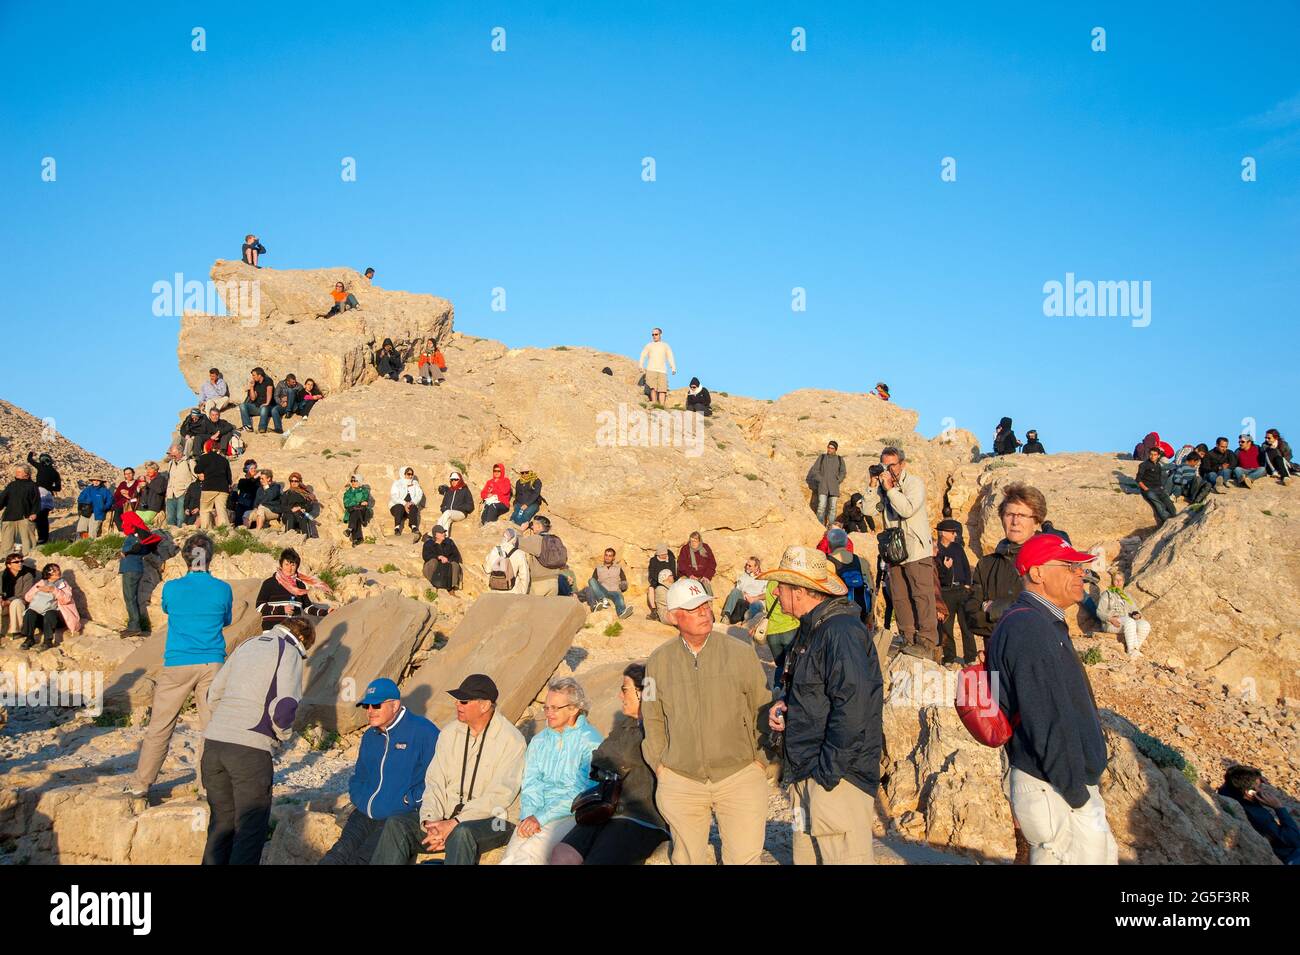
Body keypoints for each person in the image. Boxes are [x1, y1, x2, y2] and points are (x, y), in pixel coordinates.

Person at [987, 533, 1118, 865]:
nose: (1080, 574)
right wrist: (1075, 791)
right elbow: (1045, 717)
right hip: (1055, 788)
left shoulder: (1041, 622)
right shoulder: (1029, 627)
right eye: (1070, 566)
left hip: (1061, 785)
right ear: (1037, 573)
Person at [763, 545, 882, 865]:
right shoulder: (812, 628)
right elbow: (817, 695)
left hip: (835, 780)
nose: (774, 594)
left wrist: (827, 773)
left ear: (800, 591)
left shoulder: (840, 632)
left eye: (780, 588)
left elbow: (854, 708)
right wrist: (786, 707)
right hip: (808, 774)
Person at [642, 577, 771, 865]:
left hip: (739, 776)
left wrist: (761, 760)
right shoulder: (658, 662)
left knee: (745, 859)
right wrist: (661, 766)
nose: (703, 612)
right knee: (687, 859)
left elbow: (762, 706)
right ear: (675, 617)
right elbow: (651, 717)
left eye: (705, 605)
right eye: (693, 608)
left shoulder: (741, 654)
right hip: (681, 780)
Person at [374, 674, 527, 865]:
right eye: (457, 700)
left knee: (462, 834)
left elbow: (499, 796)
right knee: (397, 825)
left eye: (463, 701)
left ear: (485, 705)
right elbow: (434, 781)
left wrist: (455, 823)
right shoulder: (449, 733)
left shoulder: (512, 740)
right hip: (449, 815)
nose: (457, 705)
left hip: (496, 819)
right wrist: (431, 822)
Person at [126, 534, 233, 798]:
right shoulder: (222, 589)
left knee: (161, 726)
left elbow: (167, 608)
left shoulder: (171, 588)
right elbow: (226, 620)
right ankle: (210, 785)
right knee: (211, 727)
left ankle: (142, 784)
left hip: (178, 661)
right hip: (212, 663)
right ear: (210, 557)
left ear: (186, 557)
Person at [201, 616, 314, 864]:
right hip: (250, 749)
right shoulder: (290, 650)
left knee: (221, 824)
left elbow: (213, 694)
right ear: (303, 639)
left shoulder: (247, 644)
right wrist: (281, 736)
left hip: (214, 744)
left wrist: (227, 720)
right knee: (249, 831)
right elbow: (285, 708)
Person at [551, 664, 670, 865]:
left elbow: (619, 758)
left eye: (625, 690)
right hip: (606, 809)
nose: (620, 696)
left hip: (640, 817)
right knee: (562, 854)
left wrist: (615, 761)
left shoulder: (657, 726)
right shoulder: (626, 724)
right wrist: (615, 761)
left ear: (642, 693)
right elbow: (600, 756)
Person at [320, 679, 441, 865]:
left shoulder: (423, 731)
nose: (370, 711)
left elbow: (440, 777)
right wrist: (360, 797)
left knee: (362, 859)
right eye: (366, 706)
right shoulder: (370, 736)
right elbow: (359, 776)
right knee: (336, 855)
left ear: (395, 705)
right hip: (365, 813)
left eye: (376, 705)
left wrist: (408, 800)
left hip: (398, 817)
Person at [498, 677, 603, 865]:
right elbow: (531, 783)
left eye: (555, 708)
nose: (548, 713)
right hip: (535, 812)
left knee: (528, 856)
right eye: (546, 707)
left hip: (570, 813)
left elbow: (581, 790)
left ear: (574, 708)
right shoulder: (539, 741)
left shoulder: (591, 741)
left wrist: (540, 818)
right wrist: (529, 817)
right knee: (509, 858)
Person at [873, 446, 939, 660]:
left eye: (892, 465)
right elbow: (867, 510)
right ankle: (908, 638)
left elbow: (907, 509)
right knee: (900, 597)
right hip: (895, 551)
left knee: (921, 595)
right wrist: (873, 486)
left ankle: (927, 642)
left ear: (902, 464)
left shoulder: (914, 483)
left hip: (916, 550)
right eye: (885, 465)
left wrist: (891, 490)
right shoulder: (883, 486)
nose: (889, 469)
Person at [966, 483, 1046, 657]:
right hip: (996, 657)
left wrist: (994, 609)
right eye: (1009, 514)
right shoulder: (987, 565)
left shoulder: (1048, 561)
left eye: (1023, 515)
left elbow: (1046, 613)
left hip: (1038, 658)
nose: (1015, 521)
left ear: (1037, 520)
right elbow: (972, 616)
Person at [1218, 766, 1300, 864]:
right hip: (1292, 856)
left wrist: (1256, 777)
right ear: (1249, 793)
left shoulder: (1231, 793)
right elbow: (1295, 840)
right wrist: (1279, 807)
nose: (1262, 789)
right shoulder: (1258, 816)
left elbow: (1226, 786)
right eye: (1259, 787)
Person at [255, 548, 333, 629]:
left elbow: (307, 608)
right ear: (281, 565)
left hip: (293, 631)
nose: (289, 568)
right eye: (287, 564)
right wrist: (282, 609)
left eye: (293, 565)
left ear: (297, 567)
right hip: (273, 630)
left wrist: (326, 612)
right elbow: (259, 606)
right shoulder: (269, 583)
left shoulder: (300, 585)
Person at [934, 519, 975, 665]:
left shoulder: (958, 548)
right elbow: (936, 573)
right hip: (945, 592)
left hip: (961, 590)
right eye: (952, 532)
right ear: (943, 533)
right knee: (946, 627)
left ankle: (970, 658)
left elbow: (965, 566)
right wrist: (945, 568)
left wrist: (967, 585)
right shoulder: (936, 550)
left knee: (966, 626)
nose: (955, 534)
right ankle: (950, 657)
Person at [20, 562, 80, 650]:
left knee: (50, 613)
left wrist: (53, 590)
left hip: (57, 619)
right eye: (54, 570)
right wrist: (38, 589)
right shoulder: (42, 582)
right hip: (41, 618)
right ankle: (29, 639)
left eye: (58, 570)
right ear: (48, 573)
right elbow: (27, 598)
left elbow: (67, 599)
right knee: (30, 612)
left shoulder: (63, 584)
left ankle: (47, 642)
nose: (58, 572)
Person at [119, 512, 161, 637]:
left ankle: (134, 626)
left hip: (131, 570)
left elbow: (138, 548)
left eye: (125, 522)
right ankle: (135, 625)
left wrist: (125, 552)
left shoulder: (136, 537)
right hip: (135, 569)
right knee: (132, 598)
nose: (123, 524)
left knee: (130, 598)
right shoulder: (140, 536)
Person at [1095, 569, 1150, 658]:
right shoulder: (1107, 594)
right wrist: (1110, 619)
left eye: (1120, 580)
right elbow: (1099, 612)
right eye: (1116, 580)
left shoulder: (1127, 595)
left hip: (1127, 622)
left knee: (1145, 625)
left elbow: (1135, 610)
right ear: (1112, 581)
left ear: (1124, 582)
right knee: (1130, 622)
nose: (1118, 582)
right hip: (1112, 623)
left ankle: (1136, 649)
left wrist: (1137, 615)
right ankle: (1130, 650)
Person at [757, 577, 801, 679]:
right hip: (789, 628)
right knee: (792, 665)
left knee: (780, 666)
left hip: (772, 632)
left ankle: (777, 688)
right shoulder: (787, 583)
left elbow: (768, 605)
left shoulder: (770, 583)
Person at [517, 515, 567, 596]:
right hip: (554, 583)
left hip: (538, 584)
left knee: (535, 608)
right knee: (548, 608)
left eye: (533, 524)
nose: (532, 527)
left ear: (539, 526)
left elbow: (517, 542)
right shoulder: (556, 540)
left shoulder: (536, 539)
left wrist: (521, 530)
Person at [827, 539, 871, 626]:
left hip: (841, 612)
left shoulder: (829, 561)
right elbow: (870, 589)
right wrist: (869, 617)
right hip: (861, 609)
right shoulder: (859, 560)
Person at [0, 465, 41, 556]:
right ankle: (6, 560)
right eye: (16, 471)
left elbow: (36, 501)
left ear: (26, 474)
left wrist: (34, 513)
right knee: (7, 542)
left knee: (28, 542)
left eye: (19, 472)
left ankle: (29, 559)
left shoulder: (32, 486)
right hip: (9, 517)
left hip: (25, 517)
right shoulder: (12, 485)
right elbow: (3, 498)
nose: (16, 473)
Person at [806, 441, 847, 527]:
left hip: (834, 487)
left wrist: (838, 480)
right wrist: (821, 480)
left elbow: (843, 472)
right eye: (828, 447)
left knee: (833, 508)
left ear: (835, 450)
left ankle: (831, 526)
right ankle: (820, 526)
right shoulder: (822, 457)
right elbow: (814, 470)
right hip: (823, 487)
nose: (829, 449)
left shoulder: (839, 459)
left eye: (832, 448)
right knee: (821, 507)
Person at [193, 442, 233, 529]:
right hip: (223, 488)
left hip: (209, 487)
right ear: (218, 449)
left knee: (205, 510)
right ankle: (224, 529)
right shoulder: (224, 460)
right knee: (221, 510)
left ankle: (206, 529)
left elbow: (197, 470)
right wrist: (229, 485)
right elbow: (229, 476)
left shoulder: (204, 457)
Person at [25, 452, 61, 545]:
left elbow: (29, 460)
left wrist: (30, 453)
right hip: (48, 495)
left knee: (35, 516)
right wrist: (49, 487)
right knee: (43, 517)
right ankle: (44, 538)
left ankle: (37, 539)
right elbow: (58, 488)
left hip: (39, 494)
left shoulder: (41, 467)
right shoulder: (55, 473)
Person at [588, 547, 633, 619]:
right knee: (591, 580)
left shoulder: (618, 568)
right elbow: (594, 583)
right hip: (603, 591)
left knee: (619, 596)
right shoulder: (598, 568)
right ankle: (603, 600)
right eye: (606, 555)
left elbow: (624, 580)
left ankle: (621, 613)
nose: (607, 557)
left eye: (610, 556)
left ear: (613, 558)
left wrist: (623, 586)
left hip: (615, 591)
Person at [483, 526, 530, 594]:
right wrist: (523, 592)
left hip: (495, 591)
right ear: (514, 539)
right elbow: (524, 576)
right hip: (513, 592)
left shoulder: (495, 550)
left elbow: (487, 570)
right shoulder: (519, 553)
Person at [1137, 445, 1176, 527]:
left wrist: (1161, 487)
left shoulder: (1158, 465)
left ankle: (1174, 517)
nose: (1152, 456)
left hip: (1158, 488)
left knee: (1168, 502)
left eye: (1155, 455)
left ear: (1158, 456)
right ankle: (1167, 519)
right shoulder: (1143, 465)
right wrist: (1146, 489)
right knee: (1158, 504)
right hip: (1148, 489)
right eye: (1151, 454)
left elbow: (1158, 478)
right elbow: (1138, 480)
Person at [722, 556, 767, 625]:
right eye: (746, 565)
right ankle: (726, 616)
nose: (747, 567)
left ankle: (746, 623)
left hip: (756, 600)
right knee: (735, 591)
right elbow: (738, 589)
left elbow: (766, 595)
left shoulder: (764, 579)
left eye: (750, 566)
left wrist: (754, 598)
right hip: (744, 598)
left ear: (756, 567)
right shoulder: (743, 576)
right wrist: (744, 594)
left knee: (757, 604)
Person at [2, 553, 37, 639]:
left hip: (20, 603)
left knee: (16, 602)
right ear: (9, 565)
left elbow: (25, 595)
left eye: (21, 561)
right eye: (16, 562)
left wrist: (9, 601)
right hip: (4, 604)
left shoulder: (27, 575)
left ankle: (16, 631)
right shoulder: (2, 575)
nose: (20, 563)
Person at [638, 327, 676, 405]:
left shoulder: (665, 345)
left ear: (660, 334)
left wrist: (673, 367)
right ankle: (655, 404)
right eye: (653, 335)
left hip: (662, 370)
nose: (654, 336)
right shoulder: (649, 345)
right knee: (653, 388)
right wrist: (641, 365)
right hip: (651, 369)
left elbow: (670, 356)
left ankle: (661, 406)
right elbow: (643, 355)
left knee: (662, 389)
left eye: (656, 334)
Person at [239, 367, 281, 434]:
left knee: (264, 407)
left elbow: (269, 392)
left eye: (254, 375)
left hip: (268, 407)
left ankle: (262, 427)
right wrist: (252, 387)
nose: (252, 377)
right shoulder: (255, 383)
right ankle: (247, 426)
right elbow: (253, 398)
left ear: (259, 375)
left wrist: (267, 403)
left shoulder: (268, 381)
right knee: (242, 405)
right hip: (258, 407)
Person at [162, 447, 197, 529]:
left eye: (174, 455)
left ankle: (180, 534)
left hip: (183, 493)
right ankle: (170, 535)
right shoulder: (170, 463)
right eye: (171, 455)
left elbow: (195, 478)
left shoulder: (190, 462)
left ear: (180, 452)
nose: (172, 457)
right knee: (170, 518)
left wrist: (189, 490)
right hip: (171, 494)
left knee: (181, 517)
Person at [422, 526, 462, 591]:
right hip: (434, 567)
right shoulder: (428, 543)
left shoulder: (449, 542)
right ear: (436, 535)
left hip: (446, 568)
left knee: (455, 564)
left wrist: (448, 560)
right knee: (433, 561)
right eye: (441, 533)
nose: (444, 534)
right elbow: (426, 556)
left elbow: (456, 555)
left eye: (444, 532)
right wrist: (438, 557)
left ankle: (452, 588)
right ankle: (431, 584)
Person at [676, 531, 716, 596]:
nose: (693, 543)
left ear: (699, 541)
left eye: (695, 541)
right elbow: (682, 564)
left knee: (707, 591)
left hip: (703, 576)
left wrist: (706, 576)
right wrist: (690, 575)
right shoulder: (685, 549)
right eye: (691, 541)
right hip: (688, 575)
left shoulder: (705, 547)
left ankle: (709, 604)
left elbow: (712, 563)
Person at [389, 466, 425, 539]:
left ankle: (413, 527)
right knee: (399, 507)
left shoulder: (415, 483)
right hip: (397, 507)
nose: (410, 476)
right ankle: (397, 528)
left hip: (410, 507)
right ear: (403, 474)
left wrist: (412, 502)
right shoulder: (397, 483)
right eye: (408, 474)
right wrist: (404, 503)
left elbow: (419, 494)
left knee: (414, 507)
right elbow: (394, 496)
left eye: (412, 474)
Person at [434, 470, 473, 535]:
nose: (453, 481)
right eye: (452, 480)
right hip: (449, 514)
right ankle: (444, 540)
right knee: (447, 521)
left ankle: (435, 533)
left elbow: (470, 506)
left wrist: (459, 507)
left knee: (447, 513)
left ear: (460, 480)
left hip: (460, 513)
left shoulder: (465, 490)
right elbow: (443, 506)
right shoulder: (449, 491)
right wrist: (444, 509)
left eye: (456, 479)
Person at [280, 472, 317, 536]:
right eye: (292, 481)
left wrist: (304, 508)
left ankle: (307, 538)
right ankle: (287, 538)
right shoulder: (286, 493)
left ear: (300, 482)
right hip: (289, 514)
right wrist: (292, 509)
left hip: (300, 514)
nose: (293, 483)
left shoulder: (305, 494)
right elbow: (282, 507)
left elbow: (310, 506)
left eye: (296, 481)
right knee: (290, 516)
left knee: (304, 517)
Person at [646, 542, 676, 617]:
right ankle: (654, 611)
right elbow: (652, 573)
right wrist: (660, 580)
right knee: (651, 589)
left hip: (670, 581)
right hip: (657, 581)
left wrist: (672, 577)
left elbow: (674, 572)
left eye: (666, 554)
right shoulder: (653, 560)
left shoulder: (671, 559)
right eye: (663, 555)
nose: (665, 556)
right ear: (658, 554)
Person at [342, 474, 373, 546]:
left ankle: (350, 530)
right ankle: (358, 538)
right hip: (353, 510)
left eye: (355, 481)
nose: (352, 482)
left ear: (359, 481)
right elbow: (346, 503)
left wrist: (354, 502)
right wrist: (358, 502)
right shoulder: (347, 492)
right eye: (351, 481)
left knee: (356, 511)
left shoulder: (364, 491)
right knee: (356, 511)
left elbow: (363, 500)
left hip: (362, 511)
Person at [110, 466, 142, 531]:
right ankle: (123, 531)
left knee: (127, 515)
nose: (128, 475)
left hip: (133, 502)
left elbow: (138, 494)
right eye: (126, 474)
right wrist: (121, 494)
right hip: (121, 504)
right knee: (117, 516)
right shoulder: (122, 484)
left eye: (130, 473)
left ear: (133, 473)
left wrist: (128, 493)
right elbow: (116, 495)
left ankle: (129, 531)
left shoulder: (137, 483)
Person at [136, 461, 167, 525]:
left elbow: (160, 490)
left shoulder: (161, 479)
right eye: (147, 469)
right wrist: (138, 489)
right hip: (141, 507)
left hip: (153, 507)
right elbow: (138, 495)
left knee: (144, 522)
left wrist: (150, 482)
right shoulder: (145, 480)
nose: (148, 471)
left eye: (150, 469)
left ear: (155, 470)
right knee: (134, 521)